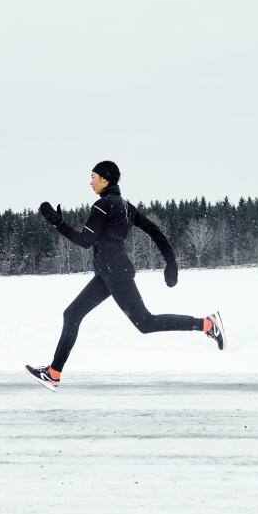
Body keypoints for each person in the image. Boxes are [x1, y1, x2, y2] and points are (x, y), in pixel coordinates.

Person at [25, 160, 225, 390]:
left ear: (105, 179)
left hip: (115, 273)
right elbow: (154, 230)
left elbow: (85, 241)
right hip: (108, 272)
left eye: (93, 177)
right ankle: (54, 373)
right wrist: (170, 261)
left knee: (145, 322)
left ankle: (207, 325)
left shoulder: (102, 205)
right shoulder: (126, 206)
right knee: (72, 314)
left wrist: (57, 222)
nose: (90, 182)